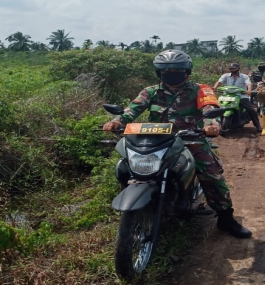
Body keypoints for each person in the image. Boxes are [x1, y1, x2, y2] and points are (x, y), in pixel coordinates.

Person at [102, 50, 252, 239]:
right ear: (159, 72)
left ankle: (225, 217)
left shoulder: (201, 89)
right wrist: (117, 121)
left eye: (177, 69)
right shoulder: (151, 91)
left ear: (186, 71)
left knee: (211, 173)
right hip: (156, 140)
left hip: (191, 138)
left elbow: (210, 107)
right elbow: (133, 108)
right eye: (166, 70)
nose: (172, 72)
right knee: (126, 166)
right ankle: (139, 205)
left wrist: (211, 125)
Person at [213, 63, 263, 133]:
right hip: (227, 95)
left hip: (241, 96)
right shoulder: (225, 76)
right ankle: (215, 123)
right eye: (230, 69)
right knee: (217, 107)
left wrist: (249, 90)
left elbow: (248, 83)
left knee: (251, 109)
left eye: (234, 68)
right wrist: (215, 87)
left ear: (238, 68)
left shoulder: (244, 76)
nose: (232, 70)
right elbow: (219, 82)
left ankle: (258, 126)